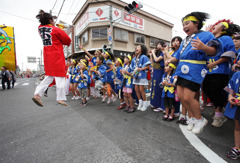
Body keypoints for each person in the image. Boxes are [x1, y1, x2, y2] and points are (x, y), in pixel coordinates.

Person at [167, 12, 217, 134]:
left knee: (189, 97)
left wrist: (203, 47)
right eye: (183, 24)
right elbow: (178, 55)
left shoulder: (206, 35)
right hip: (182, 69)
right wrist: (170, 59)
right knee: (182, 97)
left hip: (195, 69)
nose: (184, 27)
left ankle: (200, 119)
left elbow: (214, 51)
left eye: (187, 23)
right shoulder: (185, 40)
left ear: (197, 23)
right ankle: (193, 117)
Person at [203, 20, 240, 127]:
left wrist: (214, 63)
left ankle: (219, 116)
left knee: (216, 91)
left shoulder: (227, 38)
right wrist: (207, 34)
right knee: (206, 88)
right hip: (209, 70)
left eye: (218, 24)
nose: (214, 25)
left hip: (220, 71)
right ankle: (218, 110)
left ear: (223, 28)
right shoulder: (213, 38)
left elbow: (229, 54)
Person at [32, 10, 71, 107]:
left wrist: (50, 20)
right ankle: (60, 98)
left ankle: (37, 94)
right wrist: (64, 31)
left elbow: (46, 26)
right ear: (50, 20)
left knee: (48, 77)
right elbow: (67, 41)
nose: (54, 21)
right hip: (57, 57)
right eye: (53, 19)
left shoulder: (40, 28)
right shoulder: (56, 30)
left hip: (47, 58)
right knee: (60, 77)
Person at [224, 71, 240, 160]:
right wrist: (230, 96)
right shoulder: (237, 74)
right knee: (237, 126)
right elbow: (230, 88)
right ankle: (237, 147)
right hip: (237, 104)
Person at [131, 45, 151, 111]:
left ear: (142, 49)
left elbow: (148, 66)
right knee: (136, 89)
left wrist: (140, 69)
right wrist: (134, 71)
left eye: (138, 47)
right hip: (136, 75)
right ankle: (140, 102)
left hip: (142, 75)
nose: (137, 48)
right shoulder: (134, 58)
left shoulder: (144, 57)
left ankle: (145, 103)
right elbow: (132, 67)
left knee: (141, 90)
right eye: (136, 47)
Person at [149, 41, 165, 112]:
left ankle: (159, 105)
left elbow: (157, 60)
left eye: (159, 44)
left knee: (158, 88)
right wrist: (151, 55)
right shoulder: (157, 53)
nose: (158, 46)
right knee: (154, 88)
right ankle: (154, 103)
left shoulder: (163, 52)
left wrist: (152, 52)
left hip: (160, 71)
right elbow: (152, 62)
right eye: (157, 44)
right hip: (155, 71)